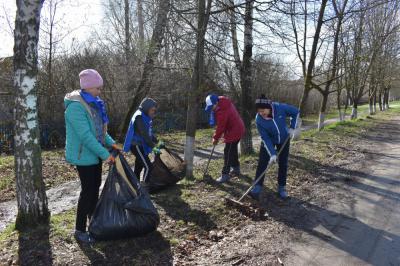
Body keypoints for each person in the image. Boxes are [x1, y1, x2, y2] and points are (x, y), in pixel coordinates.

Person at [64, 69, 119, 243]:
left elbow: (100, 131)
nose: (99, 91)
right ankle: (79, 230)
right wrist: (105, 155)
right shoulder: (75, 107)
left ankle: (93, 223)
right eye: (97, 88)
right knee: (87, 192)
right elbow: (86, 136)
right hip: (84, 156)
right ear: (87, 87)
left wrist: (111, 143)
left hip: (95, 154)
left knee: (95, 189)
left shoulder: (94, 103)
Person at [249, 95, 300, 200]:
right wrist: (272, 153)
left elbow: (296, 112)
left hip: (284, 139)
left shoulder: (280, 108)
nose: (261, 113)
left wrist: (292, 127)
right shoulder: (259, 120)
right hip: (269, 141)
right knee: (262, 163)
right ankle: (257, 188)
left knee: (283, 163)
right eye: (259, 111)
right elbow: (265, 137)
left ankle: (282, 188)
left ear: (269, 106)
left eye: (263, 110)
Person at [204, 94, 245, 183]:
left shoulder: (223, 110)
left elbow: (221, 127)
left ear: (216, 102)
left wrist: (215, 138)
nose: (212, 109)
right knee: (232, 150)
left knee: (228, 152)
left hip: (234, 131)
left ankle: (225, 175)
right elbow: (220, 124)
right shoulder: (221, 102)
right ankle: (236, 169)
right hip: (237, 128)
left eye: (212, 106)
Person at [123, 98, 163, 185]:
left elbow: (149, 133)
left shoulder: (145, 116)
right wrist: (153, 147)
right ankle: (144, 188)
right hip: (136, 145)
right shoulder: (139, 117)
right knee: (149, 167)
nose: (153, 112)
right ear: (147, 108)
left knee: (138, 167)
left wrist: (157, 141)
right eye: (152, 110)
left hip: (141, 145)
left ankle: (135, 186)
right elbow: (144, 134)